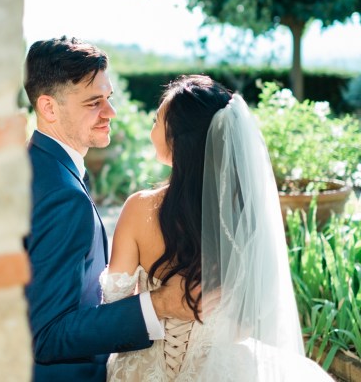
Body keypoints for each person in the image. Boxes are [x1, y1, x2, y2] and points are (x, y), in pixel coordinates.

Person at [100, 74, 334, 381]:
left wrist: (160, 305)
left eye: (157, 120)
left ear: (177, 140)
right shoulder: (243, 218)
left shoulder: (139, 209)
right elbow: (250, 321)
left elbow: (114, 311)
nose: (151, 128)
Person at [23, 37, 192, 382]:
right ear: (49, 107)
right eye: (93, 102)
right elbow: (49, 334)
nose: (110, 113)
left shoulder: (34, 168)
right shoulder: (62, 196)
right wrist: (158, 304)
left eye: (108, 99)